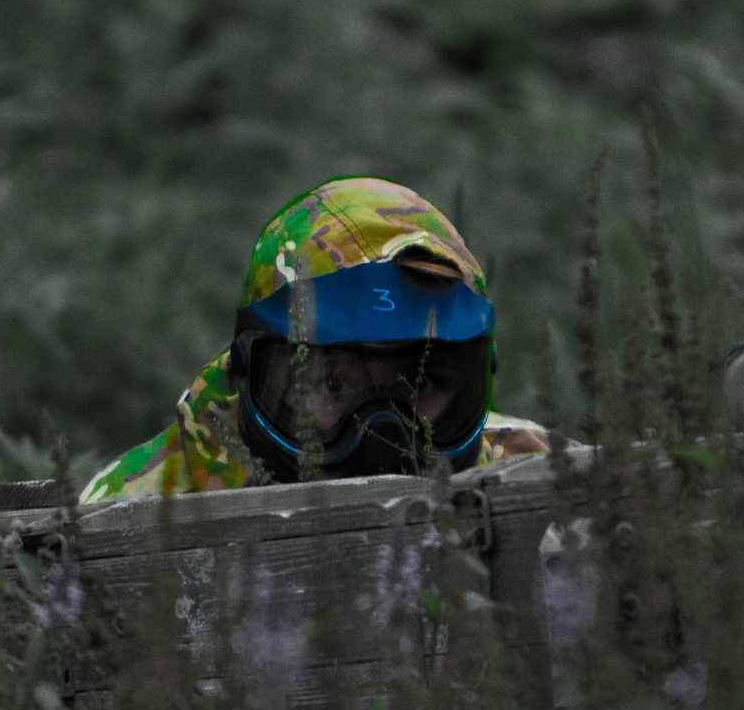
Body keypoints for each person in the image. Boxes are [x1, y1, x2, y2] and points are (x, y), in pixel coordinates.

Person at [81, 177, 550, 501]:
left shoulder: (545, 476)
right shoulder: (132, 511)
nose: (383, 438)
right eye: (328, 385)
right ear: (248, 371)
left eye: (423, 385)